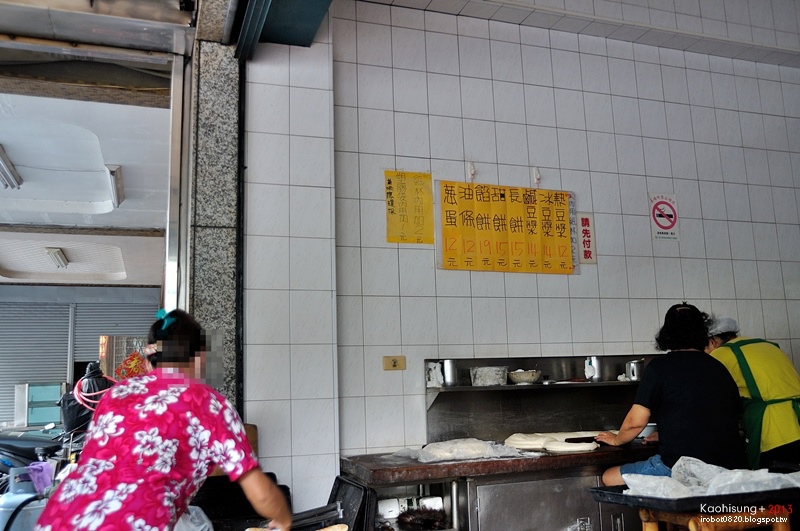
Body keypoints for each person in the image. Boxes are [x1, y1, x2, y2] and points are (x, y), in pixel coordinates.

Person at [36, 309, 292, 531]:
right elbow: (258, 490)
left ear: (149, 363)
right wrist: (282, 519)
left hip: (58, 518)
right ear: (200, 356)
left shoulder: (115, 395)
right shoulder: (205, 401)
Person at [596, 303, 746, 486]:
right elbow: (723, 414)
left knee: (608, 477)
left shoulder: (659, 368)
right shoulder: (719, 367)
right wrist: (669, 432)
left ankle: (662, 513)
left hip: (677, 468)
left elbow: (636, 423)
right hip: (726, 469)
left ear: (666, 334)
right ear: (703, 334)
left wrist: (617, 439)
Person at [707, 317, 800, 470]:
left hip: (774, 430)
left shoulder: (721, 353)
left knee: (774, 486)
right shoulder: (767, 345)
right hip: (797, 419)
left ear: (712, 342)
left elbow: (711, 396)